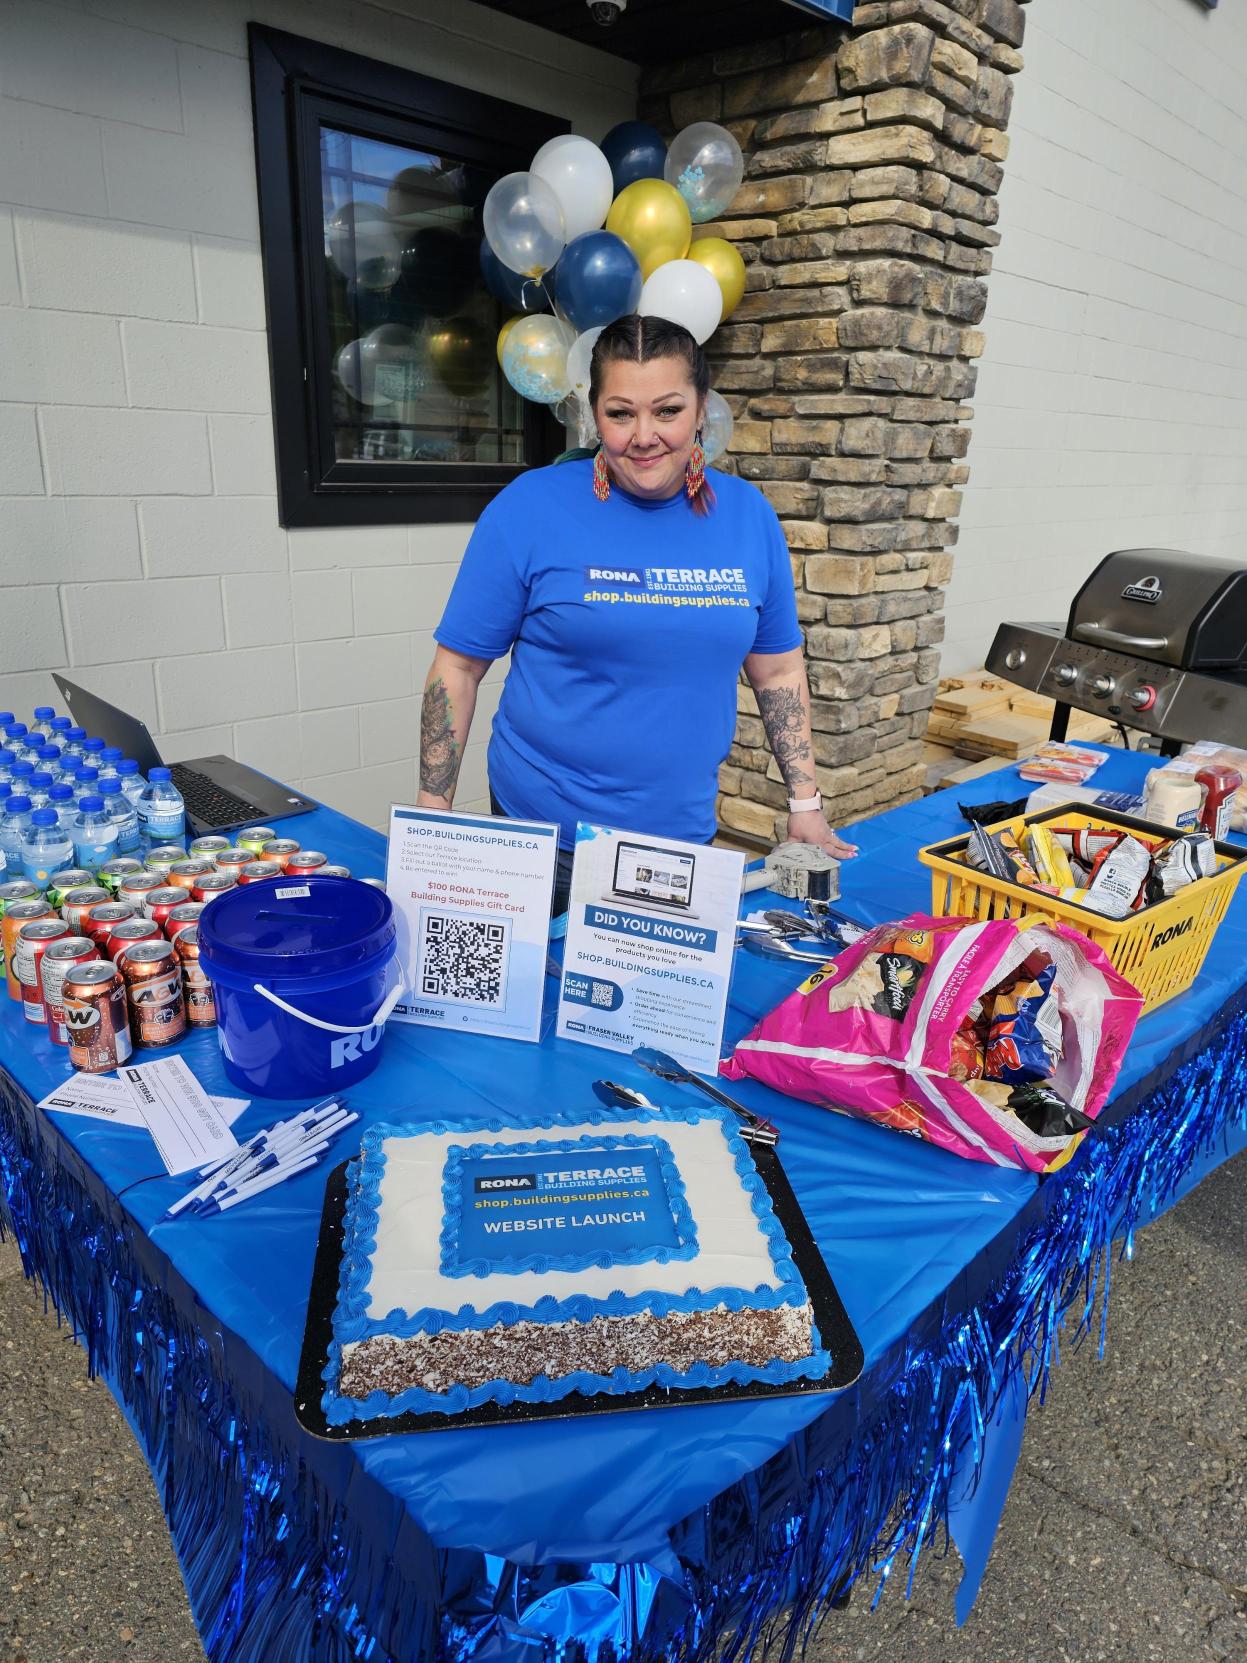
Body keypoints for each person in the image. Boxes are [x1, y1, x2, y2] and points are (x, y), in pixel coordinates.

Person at [417, 312, 858, 910]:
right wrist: (434, 808)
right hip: (546, 840)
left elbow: (777, 671)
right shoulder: (528, 509)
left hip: (679, 840)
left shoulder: (749, 517)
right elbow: (458, 668)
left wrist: (804, 804)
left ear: (703, 408)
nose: (643, 435)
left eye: (668, 410)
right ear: (593, 412)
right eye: (620, 413)